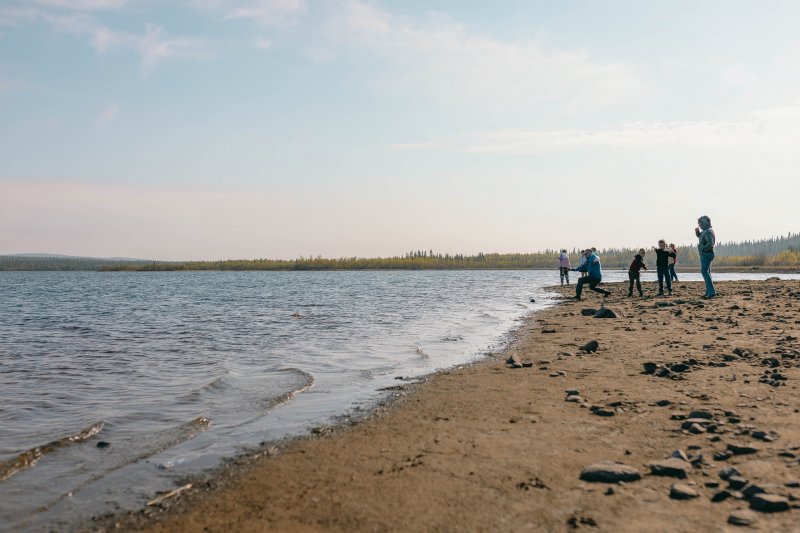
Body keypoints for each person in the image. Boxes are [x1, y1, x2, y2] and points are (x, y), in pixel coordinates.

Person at [696, 215, 716, 298]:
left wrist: (703, 249)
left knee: (704, 272)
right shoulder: (706, 231)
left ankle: (711, 292)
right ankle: (709, 291)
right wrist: (698, 234)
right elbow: (702, 238)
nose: (699, 225)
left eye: (700, 223)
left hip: (707, 254)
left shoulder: (708, 231)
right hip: (705, 254)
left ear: (705, 223)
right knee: (707, 272)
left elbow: (710, 244)